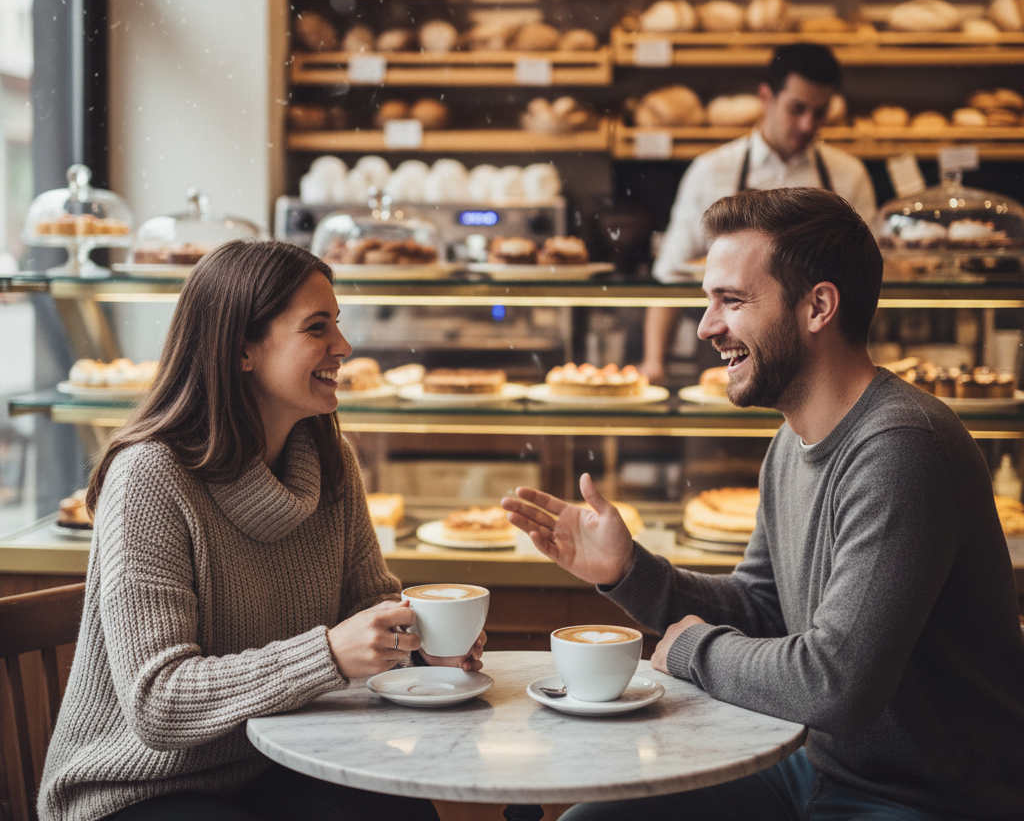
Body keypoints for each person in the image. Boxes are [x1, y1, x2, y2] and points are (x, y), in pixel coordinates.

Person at [504, 188, 1024, 821]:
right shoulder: (792, 440)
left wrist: (694, 651)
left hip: (923, 800)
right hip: (816, 768)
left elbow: (835, 683)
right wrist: (627, 571)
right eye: (707, 301)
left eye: (732, 301)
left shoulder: (903, 448)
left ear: (818, 307)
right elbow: (761, 609)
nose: (705, 326)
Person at [40, 239, 485, 821]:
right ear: (242, 349)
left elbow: (367, 604)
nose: (343, 347)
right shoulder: (149, 477)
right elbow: (158, 702)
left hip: (279, 760)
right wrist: (327, 654)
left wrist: (422, 650)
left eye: (339, 325)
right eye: (317, 328)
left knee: (402, 814)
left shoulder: (331, 462)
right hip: (135, 787)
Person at [640, 42, 877, 385]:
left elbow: (865, 282)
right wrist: (653, 362)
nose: (808, 124)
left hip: (824, 370)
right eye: (797, 108)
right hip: (725, 359)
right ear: (766, 97)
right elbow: (670, 275)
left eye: (820, 112)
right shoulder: (710, 171)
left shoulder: (849, 175)